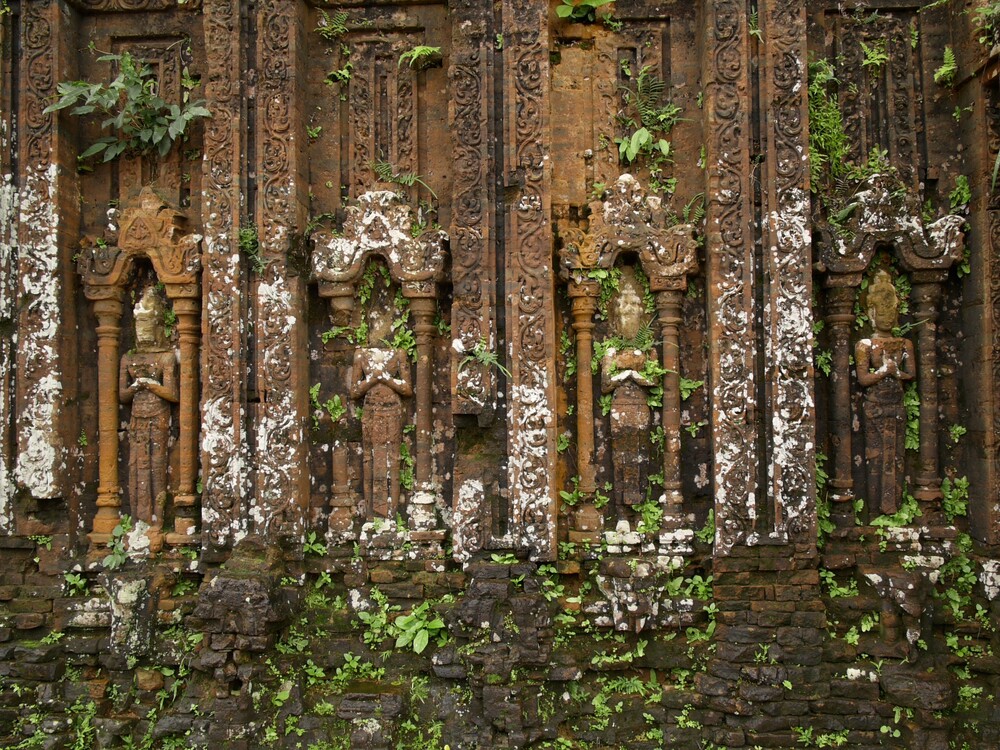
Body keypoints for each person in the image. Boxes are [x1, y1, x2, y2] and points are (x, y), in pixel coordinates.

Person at [855, 270, 916, 515]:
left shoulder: (905, 344)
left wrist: (896, 373)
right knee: (875, 456)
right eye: (883, 311)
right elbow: (863, 378)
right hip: (875, 406)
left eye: (892, 311)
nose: (888, 317)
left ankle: (893, 506)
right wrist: (883, 371)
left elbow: (910, 374)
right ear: (871, 313)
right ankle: (875, 508)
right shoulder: (865, 345)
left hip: (896, 405)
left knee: (897, 457)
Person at [119, 287, 178, 530]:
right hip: (137, 417)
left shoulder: (165, 357)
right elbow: (122, 395)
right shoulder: (128, 358)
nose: (142, 329)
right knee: (136, 465)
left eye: (147, 322)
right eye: (139, 323)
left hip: (159, 415)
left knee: (156, 465)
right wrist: (135, 388)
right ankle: (139, 519)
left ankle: (158, 518)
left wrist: (150, 386)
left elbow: (172, 394)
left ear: (158, 325)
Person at [600, 266, 657, 513]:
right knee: (620, 457)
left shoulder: (648, 350)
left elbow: (654, 381)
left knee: (642, 455)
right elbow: (604, 385)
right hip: (619, 407)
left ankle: (642, 510)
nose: (630, 312)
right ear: (614, 314)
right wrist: (624, 374)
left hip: (640, 408)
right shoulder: (611, 351)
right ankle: (621, 512)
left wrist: (635, 375)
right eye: (624, 307)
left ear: (643, 311)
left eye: (635, 305)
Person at [351, 308, 413, 519]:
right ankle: (372, 515)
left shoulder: (398, 354)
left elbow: (407, 389)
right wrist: (372, 380)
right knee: (369, 457)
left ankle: (391, 514)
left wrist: (385, 378)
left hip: (391, 410)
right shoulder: (361, 355)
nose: (381, 326)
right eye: (377, 321)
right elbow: (354, 392)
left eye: (386, 320)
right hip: (371, 409)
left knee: (393, 458)